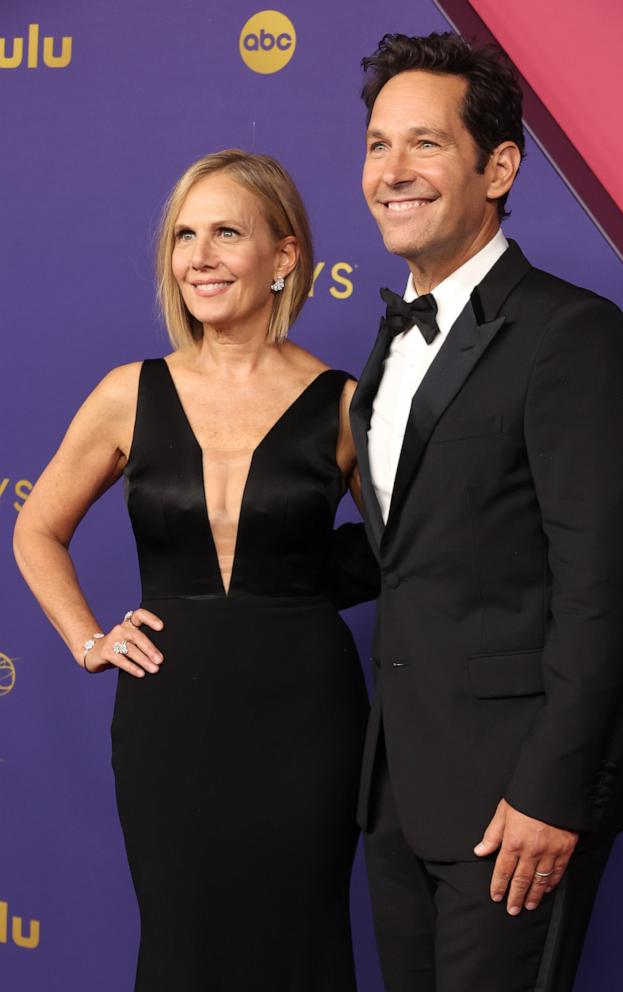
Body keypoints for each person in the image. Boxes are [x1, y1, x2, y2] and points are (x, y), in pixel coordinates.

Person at [13, 149, 377, 991]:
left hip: (307, 717)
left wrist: (293, 585)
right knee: (182, 950)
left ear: (283, 257)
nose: (198, 258)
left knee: (301, 946)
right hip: (168, 719)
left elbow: (413, 546)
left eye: (225, 233)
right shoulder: (127, 393)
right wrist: (89, 638)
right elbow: (37, 528)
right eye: (184, 235)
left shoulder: (347, 402)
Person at [350, 32, 623, 991]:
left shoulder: (573, 336)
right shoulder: (390, 343)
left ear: (499, 166)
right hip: (398, 790)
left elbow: (603, 588)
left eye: (424, 144)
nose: (391, 172)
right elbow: (414, 554)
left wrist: (551, 794)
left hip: (515, 805)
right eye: (374, 145)